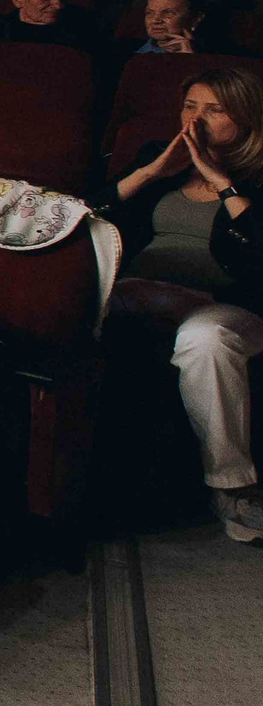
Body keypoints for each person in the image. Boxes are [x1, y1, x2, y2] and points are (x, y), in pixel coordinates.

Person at [93, 68, 263, 543]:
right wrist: (150, 173)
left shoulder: (258, 173)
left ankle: (233, 489)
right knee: (74, 311)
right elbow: (88, 213)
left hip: (226, 307)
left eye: (215, 109)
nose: (197, 120)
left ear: (246, 118)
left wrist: (223, 184)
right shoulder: (157, 158)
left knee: (205, 338)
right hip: (139, 290)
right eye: (191, 106)